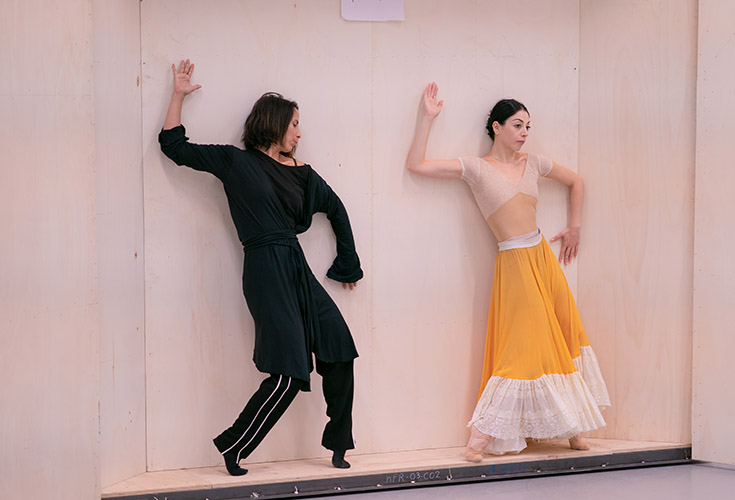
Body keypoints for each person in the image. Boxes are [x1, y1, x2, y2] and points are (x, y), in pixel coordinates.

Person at [159, 59, 362, 475]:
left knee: (340, 349)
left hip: (296, 266)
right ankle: (235, 446)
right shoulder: (236, 162)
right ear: (274, 123)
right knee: (289, 373)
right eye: (294, 124)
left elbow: (337, 209)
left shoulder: (303, 174)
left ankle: (339, 443)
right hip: (265, 271)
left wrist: (347, 264)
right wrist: (177, 95)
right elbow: (174, 147)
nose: (299, 133)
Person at [406, 83, 611, 462]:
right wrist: (427, 119)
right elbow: (416, 165)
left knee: (562, 334)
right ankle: (481, 437)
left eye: (528, 126)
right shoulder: (475, 168)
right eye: (518, 125)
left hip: (542, 259)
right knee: (522, 345)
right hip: (514, 263)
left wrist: (575, 226)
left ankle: (574, 427)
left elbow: (577, 181)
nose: (524, 133)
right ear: (497, 127)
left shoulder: (534, 163)